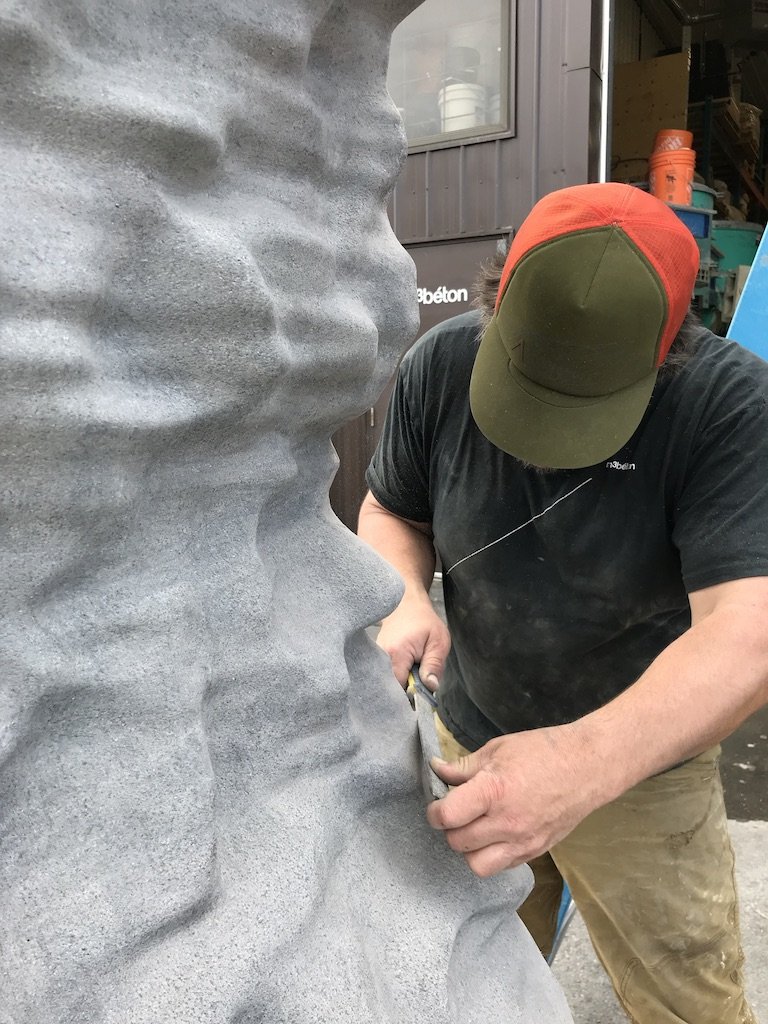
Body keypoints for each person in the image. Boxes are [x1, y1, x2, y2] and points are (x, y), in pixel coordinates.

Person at [358, 182, 768, 1024]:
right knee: (474, 970)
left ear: (667, 350)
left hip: (640, 759)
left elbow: (749, 631)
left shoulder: (730, 407)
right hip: (469, 730)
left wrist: (581, 765)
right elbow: (391, 511)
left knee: (688, 1000)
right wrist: (403, 596)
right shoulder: (440, 364)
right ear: (498, 297)